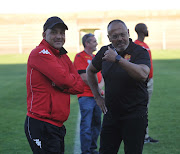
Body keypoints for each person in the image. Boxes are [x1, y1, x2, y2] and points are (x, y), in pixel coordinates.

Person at [87, 19, 151, 154]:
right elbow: (90, 71)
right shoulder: (105, 51)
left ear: (128, 33)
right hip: (111, 116)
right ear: (109, 38)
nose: (120, 39)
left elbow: (143, 74)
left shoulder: (139, 52)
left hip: (135, 116)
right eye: (115, 36)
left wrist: (117, 59)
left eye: (122, 34)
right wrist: (97, 97)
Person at [24, 16, 84, 154]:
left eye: (62, 33)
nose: (59, 36)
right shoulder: (40, 52)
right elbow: (65, 80)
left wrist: (60, 82)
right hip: (40, 124)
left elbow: (79, 86)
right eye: (54, 32)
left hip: (57, 126)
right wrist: (64, 82)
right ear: (44, 35)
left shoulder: (63, 56)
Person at [74, 33, 104, 154]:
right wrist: (98, 88)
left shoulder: (96, 57)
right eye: (94, 41)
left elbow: (103, 77)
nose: (96, 43)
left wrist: (99, 89)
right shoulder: (80, 57)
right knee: (86, 125)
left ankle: (92, 148)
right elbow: (84, 77)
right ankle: (86, 151)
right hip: (86, 96)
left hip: (97, 96)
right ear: (87, 43)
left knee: (97, 124)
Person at [134, 23, 159, 144]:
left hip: (149, 81)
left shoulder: (145, 45)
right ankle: (141, 136)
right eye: (146, 28)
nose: (147, 30)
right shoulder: (136, 46)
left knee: (145, 108)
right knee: (141, 109)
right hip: (142, 82)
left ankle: (145, 135)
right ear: (141, 30)